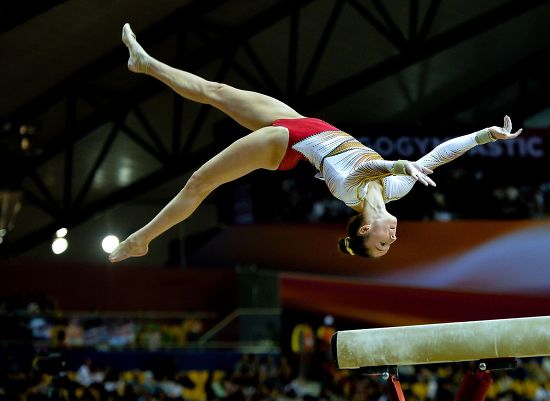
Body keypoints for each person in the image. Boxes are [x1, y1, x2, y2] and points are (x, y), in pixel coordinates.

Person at [109, 23, 522, 262]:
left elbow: (365, 168)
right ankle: (145, 64)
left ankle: (142, 239)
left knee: (200, 182)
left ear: (363, 228)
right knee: (216, 90)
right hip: (313, 127)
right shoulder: (396, 190)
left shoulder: (350, 192)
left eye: (379, 244)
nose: (391, 240)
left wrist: (399, 165)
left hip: (288, 144)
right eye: (388, 245)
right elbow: (439, 154)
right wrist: (487, 135)